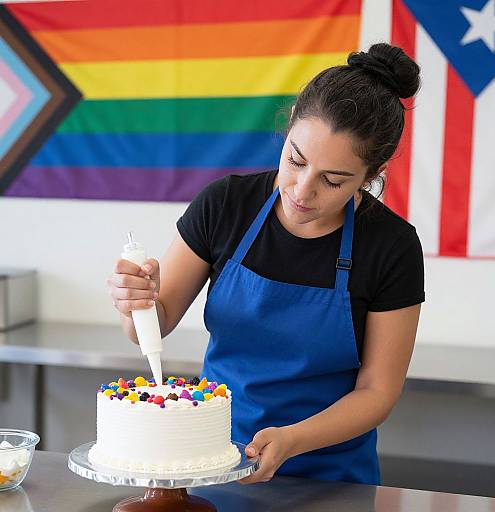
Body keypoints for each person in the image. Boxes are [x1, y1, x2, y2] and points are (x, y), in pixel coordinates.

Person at [108, 42, 425, 485]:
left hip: (330, 476)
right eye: (295, 160)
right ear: (291, 121)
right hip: (212, 462)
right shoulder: (225, 205)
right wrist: (136, 302)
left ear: (372, 175)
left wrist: (292, 440)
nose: (301, 189)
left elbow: (377, 392)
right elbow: (154, 324)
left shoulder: (392, 246)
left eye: (333, 181)